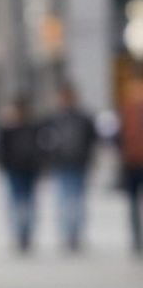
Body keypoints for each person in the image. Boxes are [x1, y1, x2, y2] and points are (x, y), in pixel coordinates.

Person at [39, 81, 97, 251]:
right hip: (62, 163)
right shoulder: (53, 118)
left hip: (79, 163)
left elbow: (91, 140)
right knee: (64, 199)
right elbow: (45, 141)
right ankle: (67, 233)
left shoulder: (84, 118)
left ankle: (76, 233)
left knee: (78, 200)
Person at [0, 95, 45, 252]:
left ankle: (27, 233)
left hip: (30, 170)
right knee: (16, 204)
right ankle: (19, 234)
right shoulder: (7, 130)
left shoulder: (33, 128)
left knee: (28, 203)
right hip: (14, 170)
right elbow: (1, 151)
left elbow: (41, 148)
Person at [118, 67, 143, 254]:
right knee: (133, 203)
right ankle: (136, 238)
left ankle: (136, 238)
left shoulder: (128, 105)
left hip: (132, 160)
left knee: (133, 203)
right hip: (132, 160)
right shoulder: (128, 107)